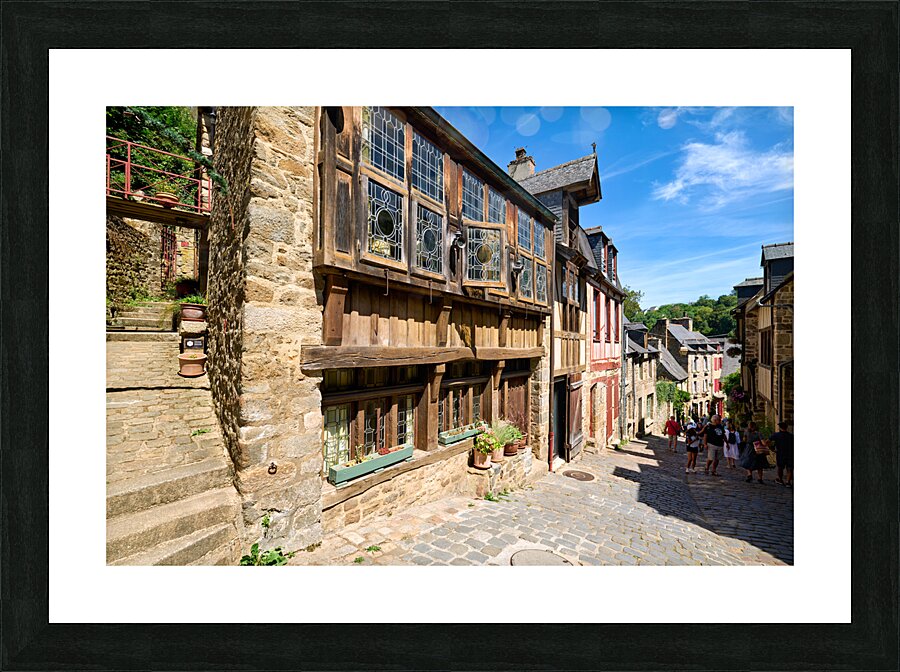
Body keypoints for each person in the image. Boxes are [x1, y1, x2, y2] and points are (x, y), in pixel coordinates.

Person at [769, 421, 794, 487]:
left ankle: (780, 479)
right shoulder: (791, 436)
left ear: (780, 427)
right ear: (787, 427)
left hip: (780, 453)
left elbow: (767, 442)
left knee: (780, 467)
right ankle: (788, 482)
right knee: (790, 468)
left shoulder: (776, 435)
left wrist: (771, 449)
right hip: (790, 453)